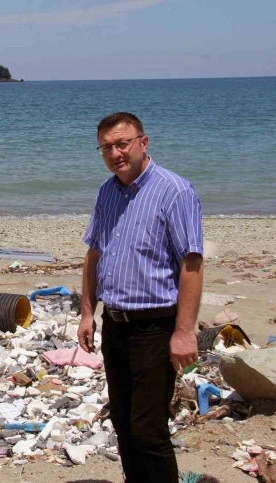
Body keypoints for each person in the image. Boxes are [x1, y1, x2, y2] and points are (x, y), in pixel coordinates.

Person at [77, 112, 204, 483]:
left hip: (155, 326)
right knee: (123, 423)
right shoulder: (107, 191)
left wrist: (184, 332)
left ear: (143, 143)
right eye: (106, 147)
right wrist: (87, 313)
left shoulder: (175, 191)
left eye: (122, 143)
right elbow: (95, 254)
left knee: (149, 430)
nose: (116, 153)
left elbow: (192, 264)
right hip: (114, 324)